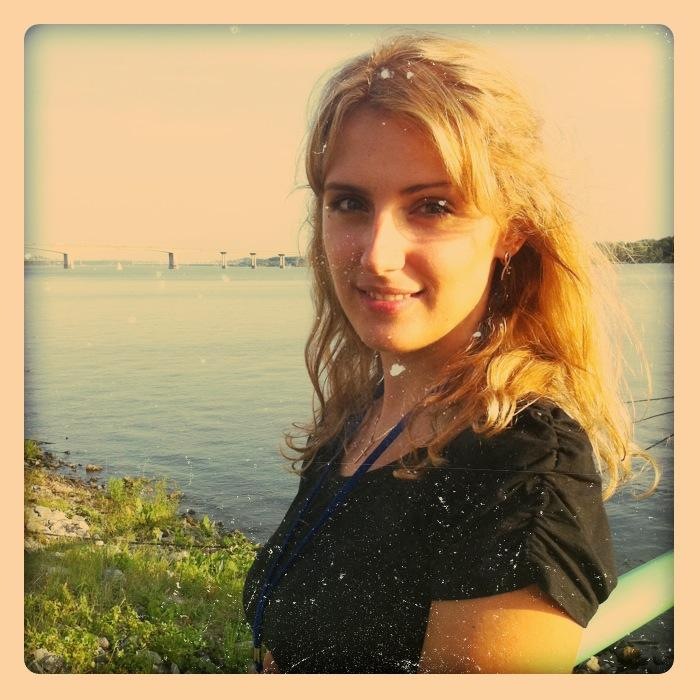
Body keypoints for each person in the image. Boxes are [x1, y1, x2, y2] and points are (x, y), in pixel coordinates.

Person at [242, 32, 656, 674]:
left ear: (511, 229)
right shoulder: (358, 419)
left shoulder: (519, 469)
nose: (377, 255)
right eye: (349, 203)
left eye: (432, 207)